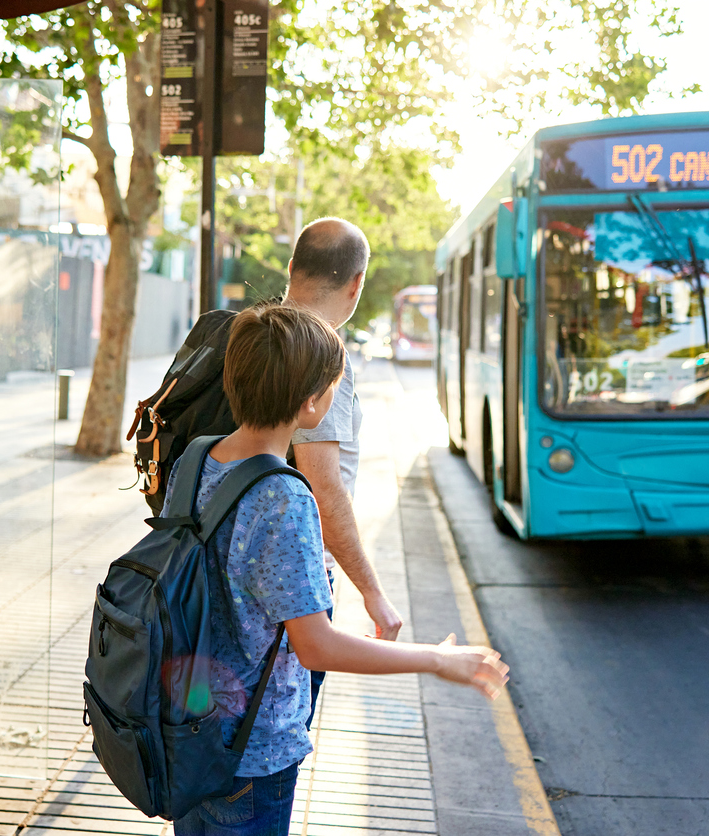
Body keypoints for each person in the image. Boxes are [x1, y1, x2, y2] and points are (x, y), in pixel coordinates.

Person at [167, 304, 508, 836]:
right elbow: (316, 646)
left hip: (190, 725)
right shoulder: (282, 498)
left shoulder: (197, 458)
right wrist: (436, 661)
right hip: (252, 757)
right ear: (312, 404)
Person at [281, 218, 402, 723]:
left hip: (224, 557)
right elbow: (322, 486)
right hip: (294, 579)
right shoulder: (321, 352)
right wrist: (374, 595)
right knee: (276, 734)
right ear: (356, 284)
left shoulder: (249, 332)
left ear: (292, 268)